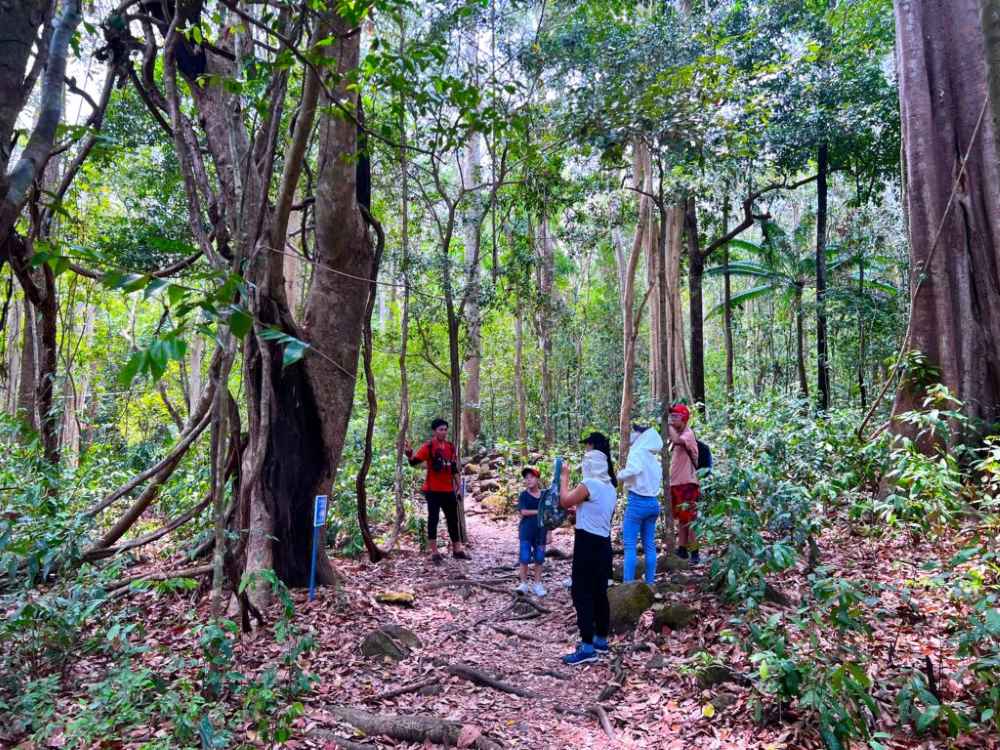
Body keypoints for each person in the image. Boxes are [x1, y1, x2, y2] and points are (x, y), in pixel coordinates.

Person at [559, 432, 617, 665]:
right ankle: (601, 639)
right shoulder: (610, 487)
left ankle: (586, 647)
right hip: (604, 544)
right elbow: (592, 509)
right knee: (599, 592)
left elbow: (564, 500)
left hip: (586, 543)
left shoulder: (590, 484)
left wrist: (564, 477)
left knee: (581, 593)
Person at [404, 418, 469, 564]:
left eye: (445, 429)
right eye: (441, 429)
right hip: (432, 490)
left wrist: (459, 488)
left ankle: (457, 550)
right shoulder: (428, 446)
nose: (444, 432)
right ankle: (434, 552)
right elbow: (414, 462)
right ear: (434, 431)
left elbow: (454, 469)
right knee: (433, 519)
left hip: (448, 490)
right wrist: (408, 453)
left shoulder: (450, 447)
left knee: (453, 519)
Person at [617, 424, 663, 584]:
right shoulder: (652, 458)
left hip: (637, 502)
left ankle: (628, 585)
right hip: (653, 504)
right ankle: (650, 583)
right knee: (649, 545)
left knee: (630, 546)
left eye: (635, 431)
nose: (632, 434)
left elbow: (634, 470)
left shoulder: (636, 452)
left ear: (641, 436)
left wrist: (620, 475)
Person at [667, 404, 700, 564]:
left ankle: (695, 552)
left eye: (675, 417)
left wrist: (667, 424)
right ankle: (682, 549)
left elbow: (676, 440)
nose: (672, 420)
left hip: (688, 483)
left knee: (690, 519)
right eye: (671, 417)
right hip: (677, 483)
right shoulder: (678, 433)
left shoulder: (687, 434)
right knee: (682, 519)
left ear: (684, 418)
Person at [515, 467, 547, 597]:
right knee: (524, 557)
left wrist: (549, 533)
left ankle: (537, 584)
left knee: (539, 558)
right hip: (526, 531)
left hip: (541, 531)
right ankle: (523, 584)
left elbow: (548, 515)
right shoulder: (523, 495)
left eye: (531, 477)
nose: (529, 480)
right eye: (526, 478)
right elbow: (523, 511)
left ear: (537, 478)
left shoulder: (544, 495)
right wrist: (539, 512)